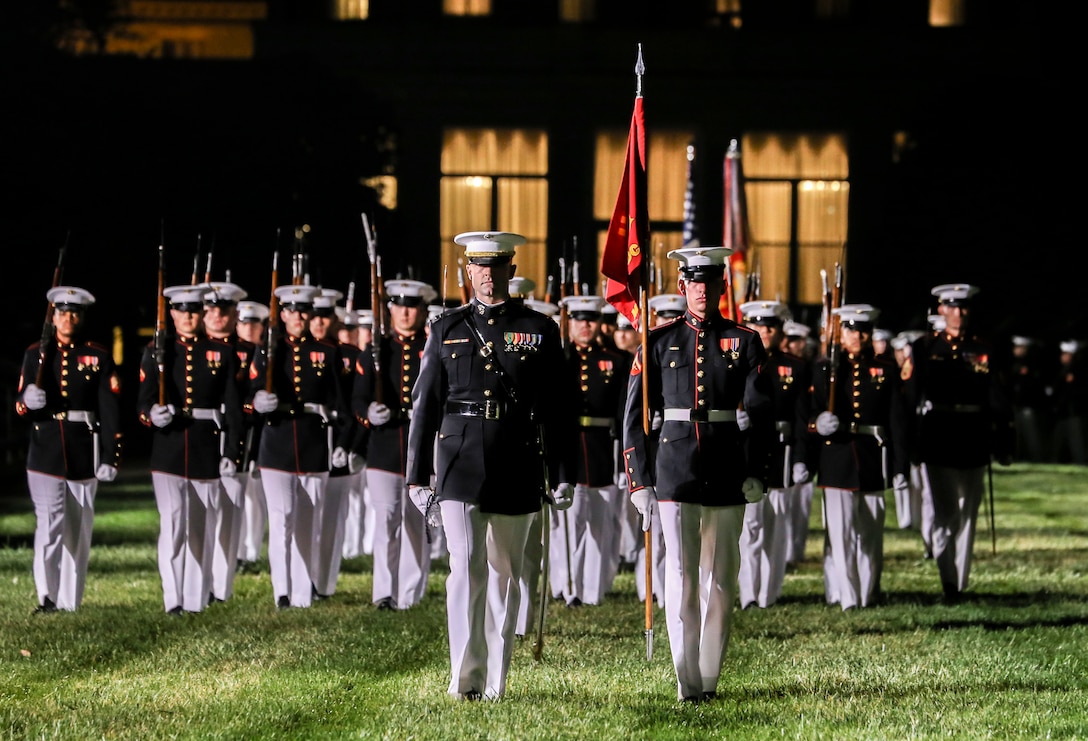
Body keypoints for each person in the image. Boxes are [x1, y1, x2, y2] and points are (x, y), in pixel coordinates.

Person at [405, 230, 577, 702]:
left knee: (506, 573)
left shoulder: (539, 329)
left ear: (510, 271)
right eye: (479, 266)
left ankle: (496, 682)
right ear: (468, 271)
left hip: (517, 458)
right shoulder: (447, 327)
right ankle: (465, 680)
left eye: (496, 266)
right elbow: (425, 405)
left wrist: (565, 473)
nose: (487, 275)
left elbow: (559, 409)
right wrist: (416, 476)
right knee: (464, 569)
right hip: (459, 459)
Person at [623, 246, 772, 703]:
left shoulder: (744, 340)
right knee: (682, 573)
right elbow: (634, 418)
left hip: (726, 466)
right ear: (682, 286)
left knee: (722, 577)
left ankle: (709, 676)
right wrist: (639, 480)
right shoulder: (657, 339)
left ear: (722, 286)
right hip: (675, 466)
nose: (701, 290)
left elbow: (763, 415)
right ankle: (686, 678)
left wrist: (758, 470)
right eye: (694, 282)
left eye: (709, 282)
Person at [138, 284, 244, 615]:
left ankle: (196, 599)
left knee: (201, 527)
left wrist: (232, 452)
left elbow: (233, 408)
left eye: (195, 311)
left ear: (202, 313)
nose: (188, 317)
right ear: (172, 313)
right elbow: (143, 400)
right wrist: (151, 414)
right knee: (173, 524)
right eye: (182, 311)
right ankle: (173, 599)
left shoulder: (221, 352)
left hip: (205, 446)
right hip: (168, 448)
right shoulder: (157, 351)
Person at [16, 285, 122, 613]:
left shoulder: (98, 355)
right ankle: (47, 597)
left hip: (83, 449)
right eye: (62, 312)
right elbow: (21, 405)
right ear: (54, 316)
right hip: (45, 449)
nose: (68, 318)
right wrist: (27, 401)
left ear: (82, 317)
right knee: (49, 525)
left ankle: (70, 600)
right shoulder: (36, 353)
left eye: (74, 313)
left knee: (77, 528)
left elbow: (109, 410)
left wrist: (110, 456)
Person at [904, 284, 1014, 602]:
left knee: (968, 513)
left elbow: (997, 395)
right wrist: (910, 442)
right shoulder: (925, 347)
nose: (958, 313)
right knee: (945, 513)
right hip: (939, 435)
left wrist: (1004, 440)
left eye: (963, 307)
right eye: (952, 307)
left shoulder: (983, 348)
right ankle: (949, 581)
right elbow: (911, 397)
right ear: (941, 310)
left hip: (973, 435)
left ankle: (960, 579)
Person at [247, 283, 352, 609]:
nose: (298, 317)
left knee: (308, 522)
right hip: (276, 442)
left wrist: (343, 443)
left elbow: (342, 405)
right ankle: (282, 590)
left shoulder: (327, 352)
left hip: (312, 443)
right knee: (281, 519)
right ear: (282, 314)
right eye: (292, 311)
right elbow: (250, 390)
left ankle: (303, 592)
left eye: (304, 311)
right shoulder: (268, 349)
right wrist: (257, 399)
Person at [802, 303, 909, 610]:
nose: (857, 337)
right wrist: (817, 422)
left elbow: (897, 421)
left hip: (873, 456)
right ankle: (847, 596)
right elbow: (808, 412)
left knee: (871, 533)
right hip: (836, 457)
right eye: (851, 330)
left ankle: (868, 591)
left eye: (863, 331)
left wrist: (900, 466)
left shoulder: (884, 369)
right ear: (841, 333)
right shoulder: (826, 368)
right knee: (841, 533)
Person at [352, 278, 433, 610]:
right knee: (385, 520)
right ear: (390, 310)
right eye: (399, 306)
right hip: (384, 446)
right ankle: (384, 592)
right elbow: (357, 398)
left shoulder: (434, 349)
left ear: (422, 311)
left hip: (421, 446)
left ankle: (410, 594)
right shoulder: (377, 350)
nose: (405, 313)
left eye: (412, 307)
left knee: (415, 522)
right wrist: (368, 413)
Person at [549, 294, 627, 607]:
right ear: (569, 323)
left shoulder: (616, 360)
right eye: (579, 320)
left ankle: (593, 591)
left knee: (601, 524)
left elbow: (622, 412)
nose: (585, 326)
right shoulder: (559, 358)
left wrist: (623, 462)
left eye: (591, 320)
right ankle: (570, 588)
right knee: (570, 523)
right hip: (568, 448)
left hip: (602, 449)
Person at [736, 300, 810, 609]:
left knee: (776, 528)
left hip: (781, 451)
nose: (764, 332)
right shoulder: (736, 363)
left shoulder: (795, 367)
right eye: (758, 326)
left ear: (780, 331)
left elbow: (803, 419)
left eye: (770, 327)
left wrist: (802, 458)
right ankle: (749, 593)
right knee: (750, 527)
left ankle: (769, 592)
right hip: (747, 449)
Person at [199, 280, 251, 603]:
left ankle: (222, 587)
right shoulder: (191, 350)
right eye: (211, 309)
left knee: (228, 520)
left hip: (235, 440)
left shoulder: (249, 352)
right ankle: (200, 584)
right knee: (199, 520)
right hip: (201, 441)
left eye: (225, 310)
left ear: (235, 314)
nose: (218, 315)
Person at [235, 299, 270, 568]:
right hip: (236, 424)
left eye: (254, 323)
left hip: (258, 426)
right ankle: (236, 549)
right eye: (244, 323)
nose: (248, 328)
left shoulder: (266, 352)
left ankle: (252, 548)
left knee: (255, 494)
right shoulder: (228, 351)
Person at [782, 319, 816, 565]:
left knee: (801, 502)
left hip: (807, 441)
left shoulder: (811, 368)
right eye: (790, 340)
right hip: (786, 442)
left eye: (797, 341)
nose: (792, 345)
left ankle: (796, 549)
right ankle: (785, 551)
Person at [1006, 335, 1048, 463]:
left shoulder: (1031, 364)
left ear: (1025, 348)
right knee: (1017, 434)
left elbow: (1032, 386)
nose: (1016, 349)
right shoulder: (1013, 363)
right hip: (1016, 405)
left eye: (1019, 347)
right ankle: (1018, 457)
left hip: (1026, 406)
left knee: (1031, 435)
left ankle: (1037, 459)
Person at [1049, 339, 1087, 464]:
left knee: (1077, 442)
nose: (1063, 356)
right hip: (1062, 413)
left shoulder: (1078, 370)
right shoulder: (1063, 370)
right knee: (1057, 442)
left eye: (1066, 354)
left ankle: (1081, 463)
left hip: (1073, 412)